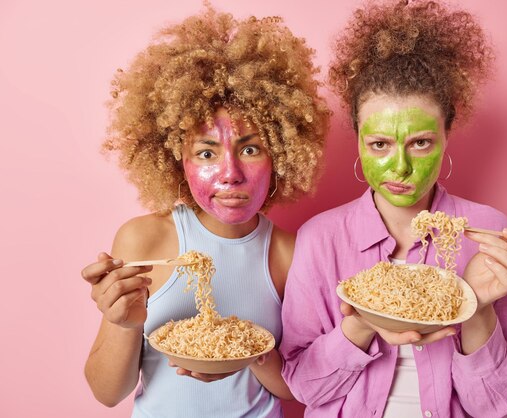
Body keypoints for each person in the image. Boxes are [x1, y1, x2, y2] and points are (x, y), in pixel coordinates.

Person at [280, 1, 507, 417]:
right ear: (359, 140)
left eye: (419, 142)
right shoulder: (321, 237)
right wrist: (361, 323)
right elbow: (304, 387)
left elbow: (497, 404)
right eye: (380, 144)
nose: (399, 167)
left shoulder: (489, 234)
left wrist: (475, 305)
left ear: (445, 136)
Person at [80, 4, 328, 417]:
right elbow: (107, 393)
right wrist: (126, 323)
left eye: (250, 149)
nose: (230, 174)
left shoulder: (291, 251)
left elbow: (296, 389)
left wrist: (247, 351)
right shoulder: (144, 239)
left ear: (280, 155)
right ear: (178, 158)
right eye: (206, 152)